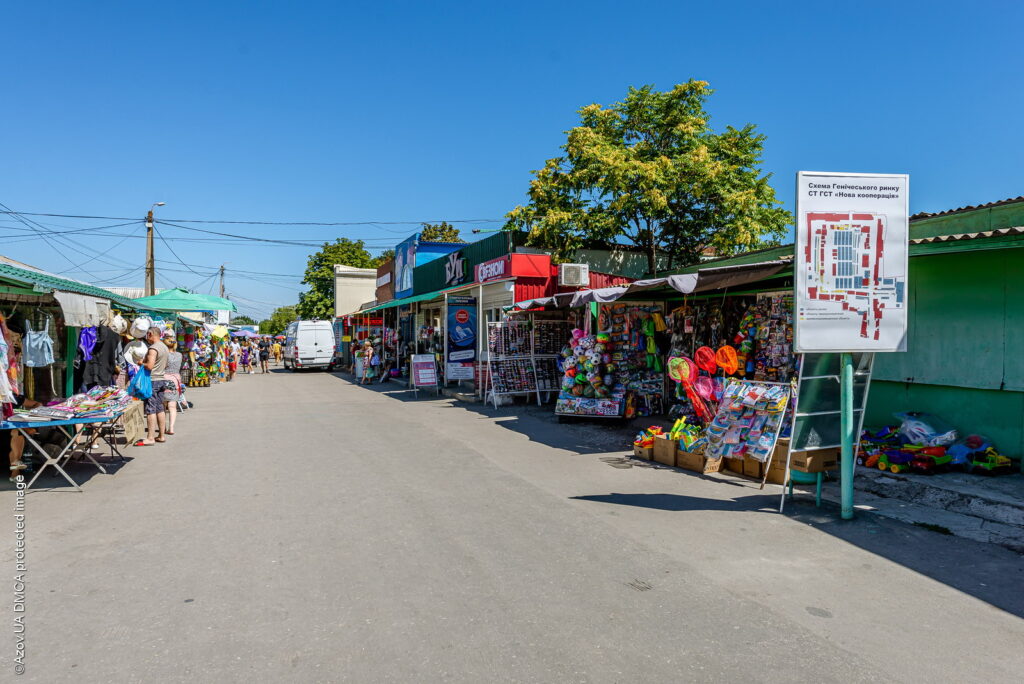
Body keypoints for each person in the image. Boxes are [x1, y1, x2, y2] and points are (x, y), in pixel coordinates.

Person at [139, 326, 170, 445]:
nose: (146, 337)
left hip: (152, 381)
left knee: (150, 409)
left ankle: (150, 437)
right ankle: (161, 435)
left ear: (151, 334)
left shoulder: (153, 348)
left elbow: (149, 366)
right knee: (160, 408)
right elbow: (166, 365)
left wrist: (141, 362)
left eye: (147, 334)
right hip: (161, 379)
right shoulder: (164, 347)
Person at [162, 335, 183, 436]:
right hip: (175, 381)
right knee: (172, 406)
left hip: (163, 379)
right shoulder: (179, 355)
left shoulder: (164, 355)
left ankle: (163, 427)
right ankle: (171, 427)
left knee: (162, 406)